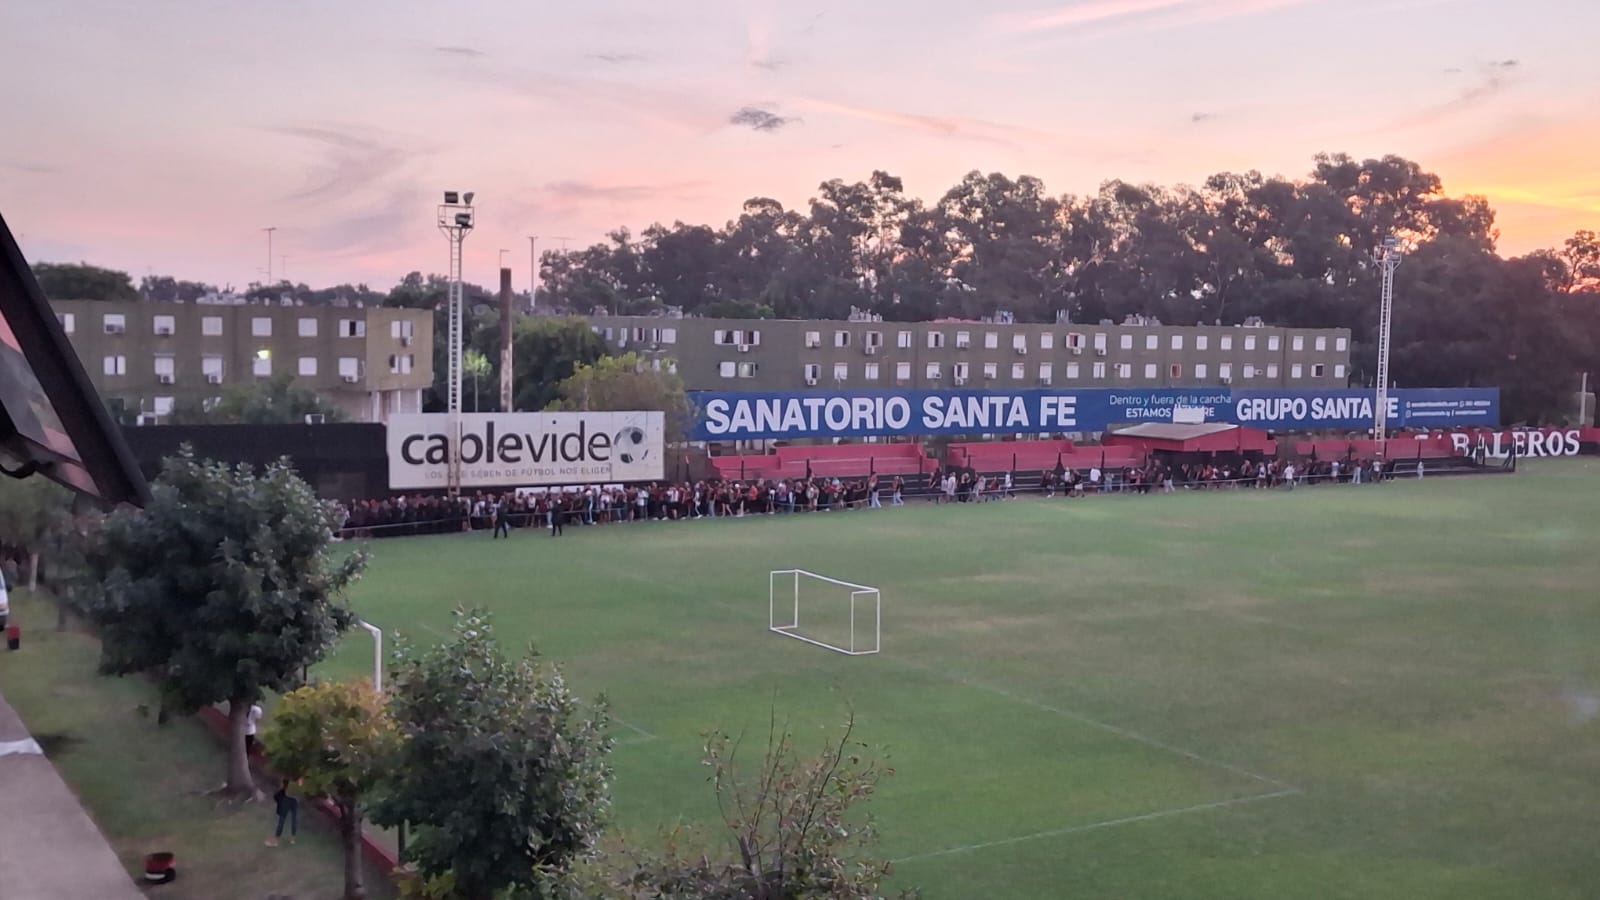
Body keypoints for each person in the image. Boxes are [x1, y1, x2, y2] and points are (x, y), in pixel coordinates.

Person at [266, 779, 298, 846]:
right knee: (293, 819)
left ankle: (275, 840)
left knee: (282, 820)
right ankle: (292, 839)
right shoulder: (294, 783)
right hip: (294, 801)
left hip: (287, 801)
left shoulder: (283, 789)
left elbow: (276, 796)